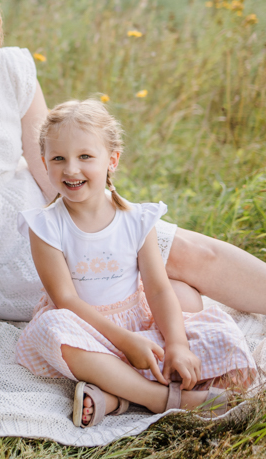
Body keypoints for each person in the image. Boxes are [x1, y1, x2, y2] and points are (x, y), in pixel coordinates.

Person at [0, 0, 266, 321]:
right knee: (177, 293)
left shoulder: (13, 67)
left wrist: (100, 230)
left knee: (187, 255)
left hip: (51, 222)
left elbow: (50, 172)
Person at [15, 100, 256, 427]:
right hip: (86, 328)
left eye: (85, 156)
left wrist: (177, 345)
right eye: (58, 158)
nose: (71, 169)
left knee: (218, 332)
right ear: (44, 163)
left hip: (137, 321)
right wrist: (125, 342)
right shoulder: (44, 226)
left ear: (111, 160)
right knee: (51, 328)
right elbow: (66, 300)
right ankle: (163, 399)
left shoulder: (136, 219)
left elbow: (157, 289)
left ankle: (118, 396)